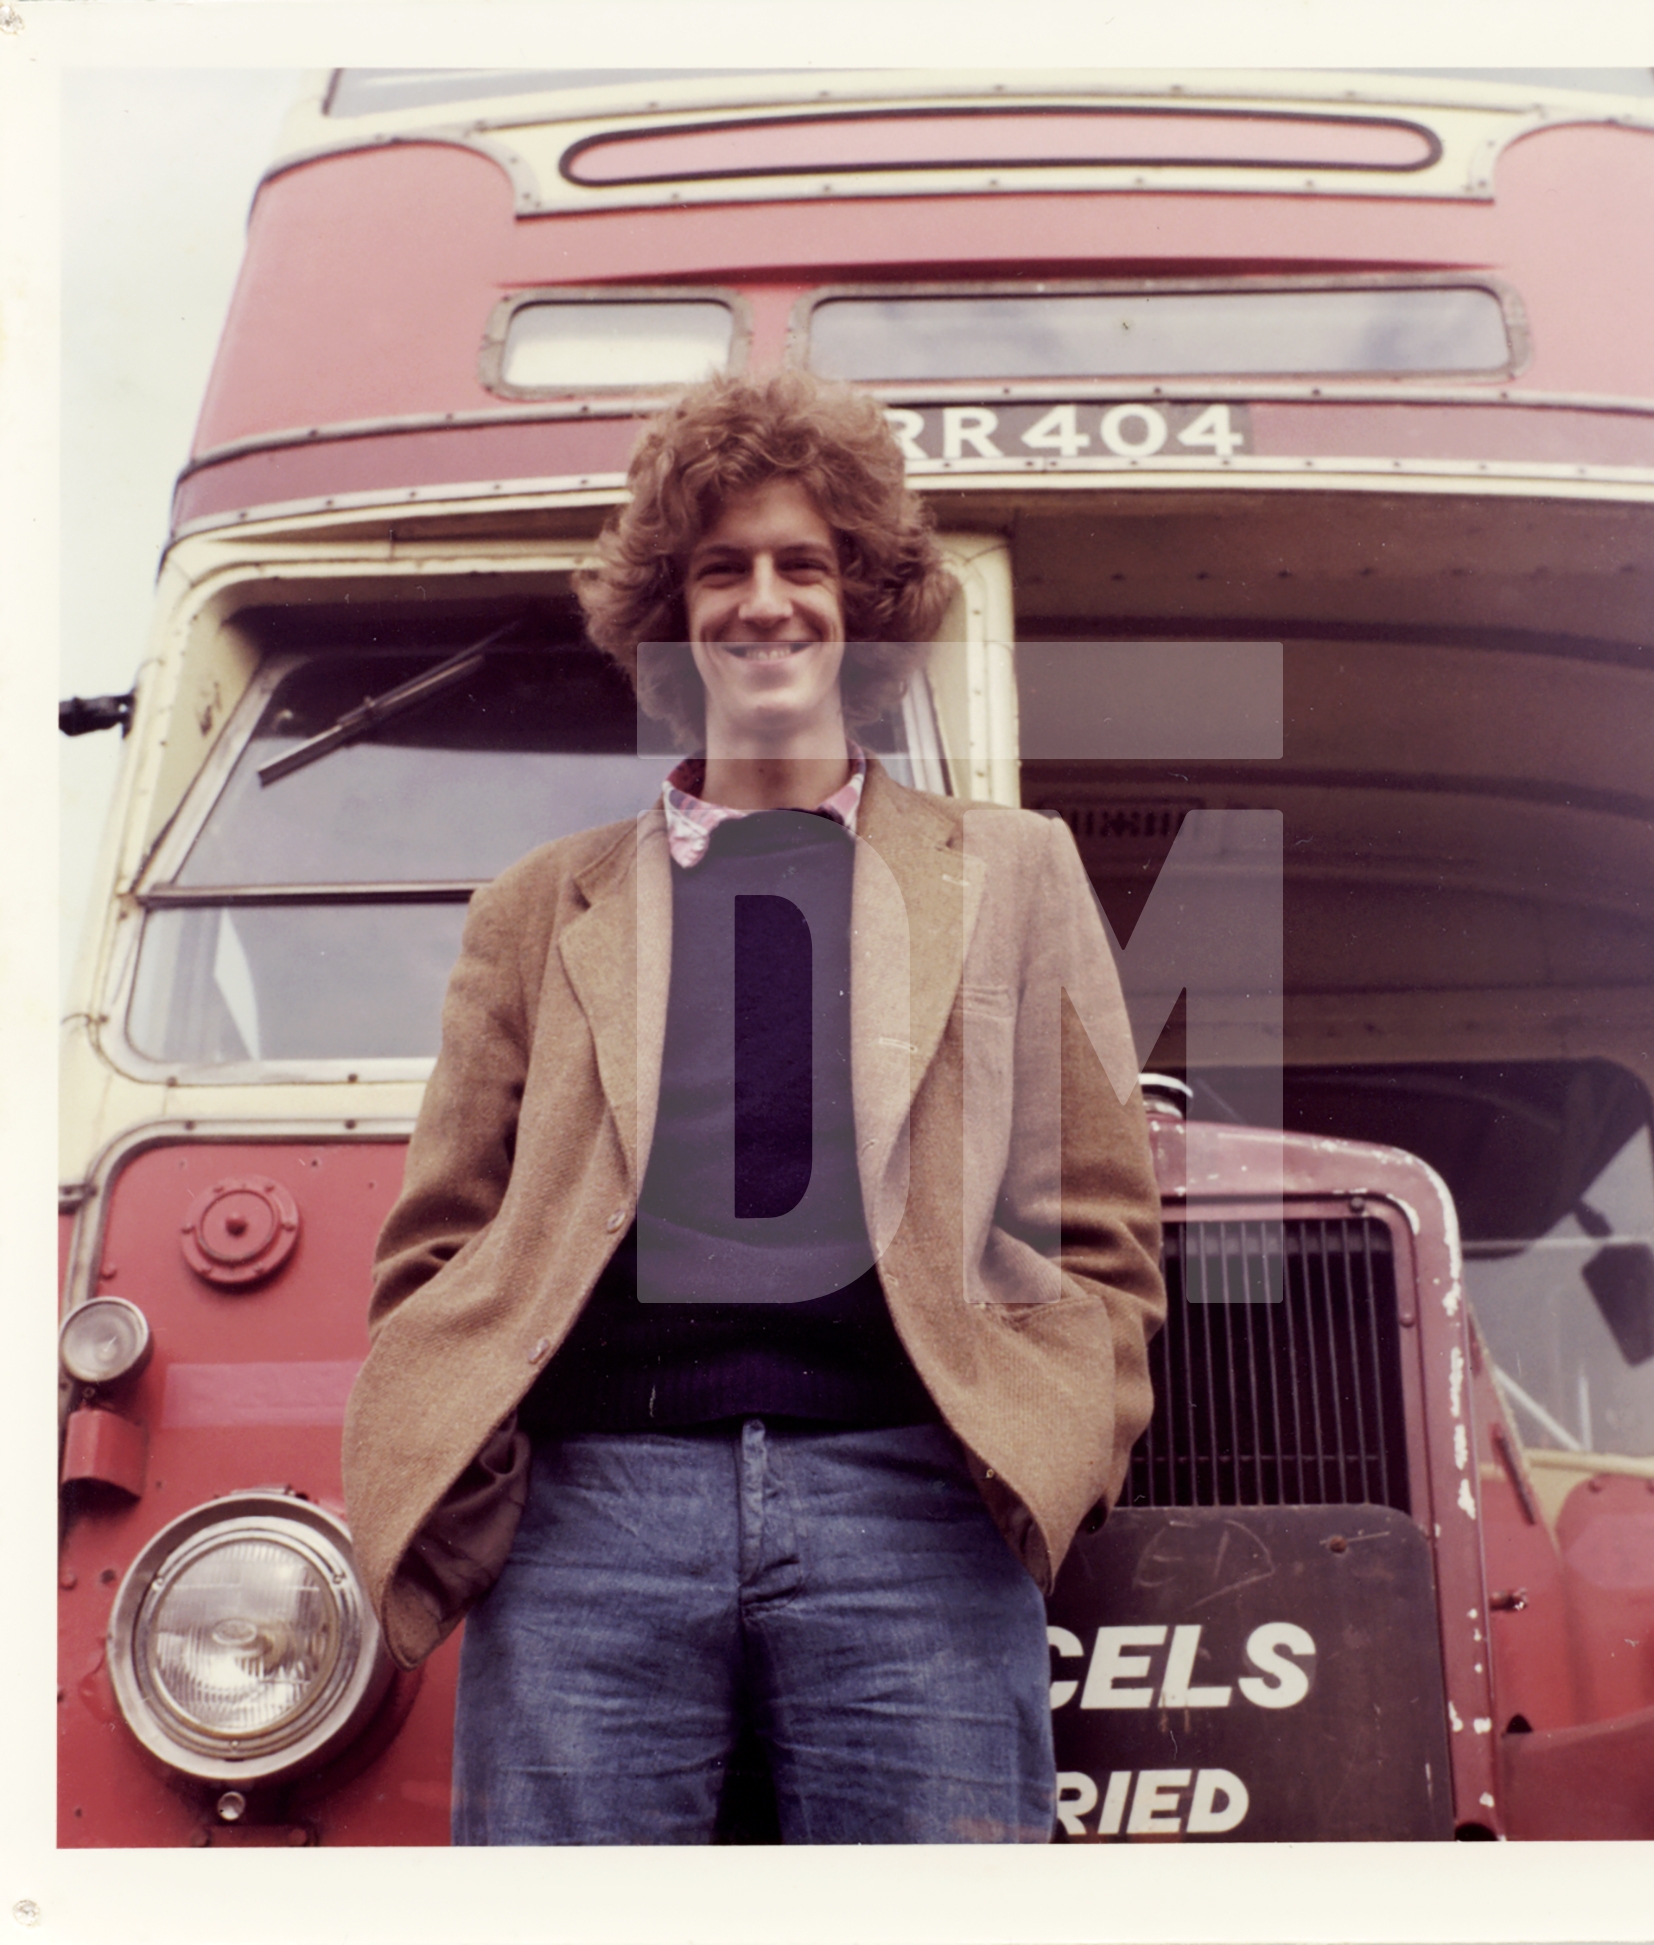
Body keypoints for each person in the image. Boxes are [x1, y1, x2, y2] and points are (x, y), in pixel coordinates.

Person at [341, 370, 1165, 1845]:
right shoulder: (539, 907)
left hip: (915, 1506)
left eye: (806, 563)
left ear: (865, 603)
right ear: (672, 609)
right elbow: (437, 1248)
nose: (765, 602)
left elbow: (1102, 1227)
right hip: (596, 1520)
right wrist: (487, 1491)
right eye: (723, 568)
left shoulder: (1017, 870)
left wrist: (1052, 1453)